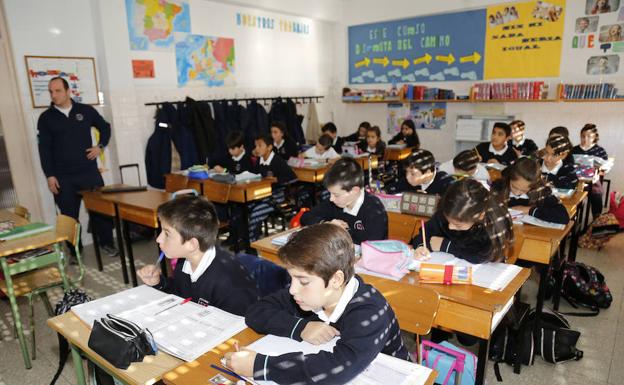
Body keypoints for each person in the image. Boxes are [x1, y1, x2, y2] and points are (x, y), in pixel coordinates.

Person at [225, 223, 410, 383]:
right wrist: (300, 327)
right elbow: (256, 312)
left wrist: (261, 366)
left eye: (303, 281)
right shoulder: (305, 295)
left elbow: (336, 369)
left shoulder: (369, 310)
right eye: (292, 279)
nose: (292, 289)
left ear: (336, 280)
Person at [136, 195, 259, 316]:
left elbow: (239, 328)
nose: (158, 239)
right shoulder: (185, 261)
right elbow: (180, 293)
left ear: (191, 244)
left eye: (167, 234)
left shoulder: (229, 285)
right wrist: (159, 283)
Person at [37, 77, 117, 257]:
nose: (53, 95)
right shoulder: (46, 118)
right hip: (63, 177)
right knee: (69, 217)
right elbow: (44, 150)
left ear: (68, 91)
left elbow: (105, 128)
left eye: (57, 91)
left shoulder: (85, 111)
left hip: (89, 172)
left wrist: (100, 146)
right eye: (51, 91)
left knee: (101, 211)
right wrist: (50, 175)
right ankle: (74, 251)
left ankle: (107, 243)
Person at [412, 178, 514, 264]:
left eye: (458, 225)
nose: (450, 227)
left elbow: (482, 257)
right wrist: (421, 247)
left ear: (480, 215)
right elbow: (423, 235)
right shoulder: (447, 211)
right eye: (448, 221)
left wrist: (445, 245)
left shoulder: (494, 224)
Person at [300, 158, 387, 244]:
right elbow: (305, 217)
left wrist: (342, 231)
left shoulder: (374, 209)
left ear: (354, 191)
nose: (331, 199)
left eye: (336, 194)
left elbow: (372, 245)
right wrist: (327, 224)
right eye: (330, 193)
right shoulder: (334, 202)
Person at [491, 157, 570, 225]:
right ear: (509, 178)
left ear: (534, 186)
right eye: (514, 187)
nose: (517, 193)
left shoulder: (541, 192)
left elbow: (563, 217)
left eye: (523, 190)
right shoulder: (499, 187)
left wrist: (529, 210)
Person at [572, 124, 609, 218]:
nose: (585, 139)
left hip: (592, 181)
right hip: (576, 180)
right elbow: (568, 165)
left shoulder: (599, 151)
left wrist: (600, 169)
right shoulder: (574, 150)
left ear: (595, 137)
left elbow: (605, 168)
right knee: (572, 195)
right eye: (583, 136)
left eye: (589, 136)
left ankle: (596, 218)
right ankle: (573, 217)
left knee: (596, 194)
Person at [386, 149, 454, 195]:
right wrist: (384, 190)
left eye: (412, 174)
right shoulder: (409, 180)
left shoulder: (445, 181)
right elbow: (391, 188)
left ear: (427, 173)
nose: (407, 177)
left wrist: (430, 199)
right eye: (407, 172)